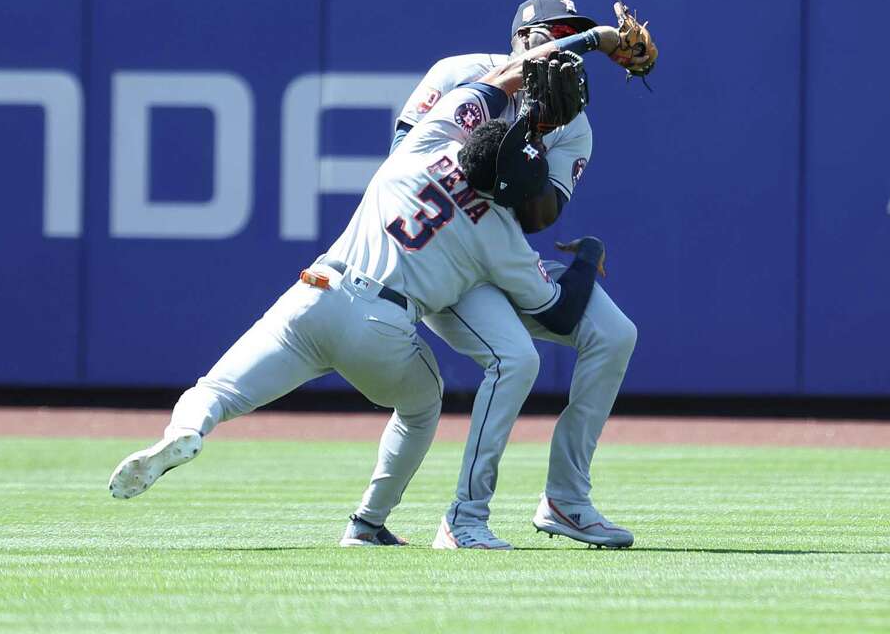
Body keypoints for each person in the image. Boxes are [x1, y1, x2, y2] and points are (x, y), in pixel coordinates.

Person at [106, 51, 607, 551]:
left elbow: (492, 88)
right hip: (380, 328)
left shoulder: (421, 146)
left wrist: (563, 49)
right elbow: (559, 311)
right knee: (422, 404)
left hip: (316, 292)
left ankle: (187, 429)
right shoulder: (501, 238)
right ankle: (367, 523)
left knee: (215, 389)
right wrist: (587, 257)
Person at [363, 0, 644, 550]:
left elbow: (541, 216)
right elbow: (404, 156)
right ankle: (465, 516)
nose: (567, 44)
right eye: (553, 32)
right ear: (521, 39)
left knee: (615, 335)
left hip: (499, 250)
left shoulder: (574, 124)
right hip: (440, 252)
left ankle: (567, 499)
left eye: (575, 33)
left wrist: (535, 136)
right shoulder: (461, 73)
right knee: (516, 359)